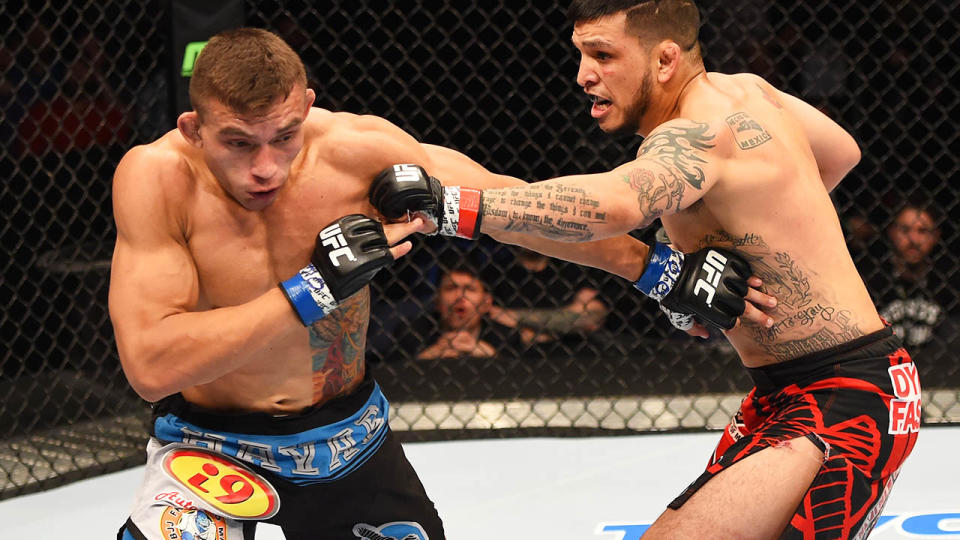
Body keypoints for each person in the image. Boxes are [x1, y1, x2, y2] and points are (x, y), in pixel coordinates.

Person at [108, 27, 770, 540]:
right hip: (208, 446)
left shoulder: (355, 153)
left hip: (345, 440)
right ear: (193, 130)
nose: (266, 167)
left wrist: (655, 271)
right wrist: (313, 290)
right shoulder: (158, 178)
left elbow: (513, 209)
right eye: (238, 144)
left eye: (284, 136)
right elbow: (151, 365)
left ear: (307, 108)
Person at [365, 1, 920, 537]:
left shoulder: (694, 134)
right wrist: (746, 235)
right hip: (807, 388)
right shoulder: (750, 91)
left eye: (603, 55)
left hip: (846, 395)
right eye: (580, 54)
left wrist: (453, 208)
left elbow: (613, 207)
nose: (583, 75)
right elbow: (841, 152)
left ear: (664, 60)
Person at [485, 246, 609, 348]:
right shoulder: (495, 272)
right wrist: (561, 325)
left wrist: (516, 317)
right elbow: (490, 315)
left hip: (577, 351)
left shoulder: (574, 268)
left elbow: (591, 314)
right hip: (514, 353)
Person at [869, 201, 951, 348]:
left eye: (922, 231)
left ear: (935, 236)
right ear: (892, 232)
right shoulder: (871, 281)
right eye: (905, 230)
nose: (913, 239)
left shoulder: (948, 283)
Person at [417, 265, 497, 360]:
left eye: (469, 289)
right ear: (437, 301)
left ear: (486, 303)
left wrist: (493, 357)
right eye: (450, 288)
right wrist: (424, 360)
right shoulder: (413, 333)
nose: (460, 296)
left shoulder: (506, 336)